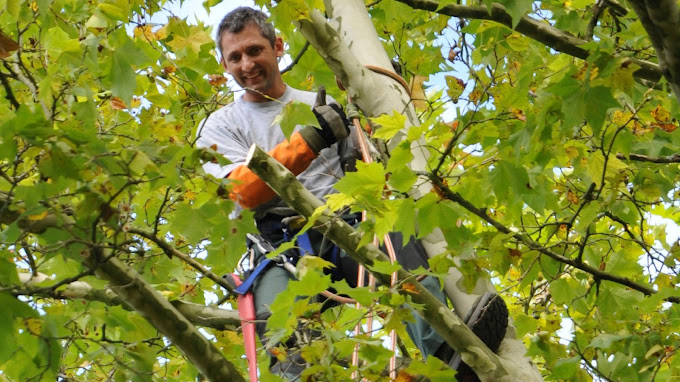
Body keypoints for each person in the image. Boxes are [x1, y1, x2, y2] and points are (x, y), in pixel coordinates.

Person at [196, 7, 506, 381]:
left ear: (277, 47)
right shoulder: (223, 124)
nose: (247, 63)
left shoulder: (320, 104)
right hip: (279, 248)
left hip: (345, 223)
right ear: (224, 64)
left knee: (396, 247)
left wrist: (375, 104)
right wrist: (311, 139)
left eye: (254, 50)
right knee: (280, 325)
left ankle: (442, 351)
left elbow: (376, 169)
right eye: (235, 57)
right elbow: (241, 191)